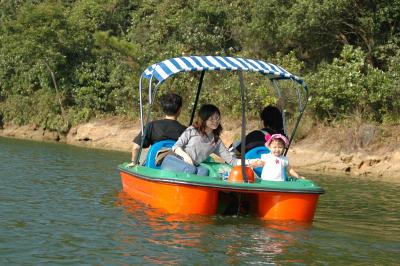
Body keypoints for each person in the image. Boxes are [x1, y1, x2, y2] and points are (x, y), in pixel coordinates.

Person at [161, 104, 240, 176]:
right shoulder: (192, 130)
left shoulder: (216, 141)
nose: (215, 121)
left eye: (217, 118)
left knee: (204, 172)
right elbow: (176, 147)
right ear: (204, 119)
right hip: (174, 160)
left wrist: (249, 162)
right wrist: (187, 158)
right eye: (211, 119)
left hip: (191, 165)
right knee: (190, 170)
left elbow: (232, 160)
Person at [127, 93, 186, 167]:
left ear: (163, 109)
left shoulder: (151, 125)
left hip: (152, 165)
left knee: (143, 156)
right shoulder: (186, 131)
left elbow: (136, 148)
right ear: (179, 109)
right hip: (176, 169)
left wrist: (134, 162)